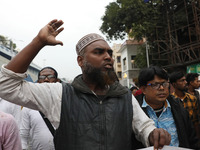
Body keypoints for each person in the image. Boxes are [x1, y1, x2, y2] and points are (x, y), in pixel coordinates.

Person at [0, 19, 171, 150]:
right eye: (98, 52)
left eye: (109, 53)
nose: (108, 57)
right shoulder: (60, 94)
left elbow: (144, 128)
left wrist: (154, 134)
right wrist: (38, 41)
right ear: (80, 61)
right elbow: (6, 85)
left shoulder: (124, 96)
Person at [132, 66, 199, 149]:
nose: (161, 88)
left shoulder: (180, 109)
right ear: (143, 89)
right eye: (155, 85)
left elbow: (192, 141)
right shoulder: (134, 113)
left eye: (164, 84)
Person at [20, 67, 59, 150]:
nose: (46, 80)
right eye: (42, 77)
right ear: (38, 82)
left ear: (57, 81)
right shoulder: (29, 105)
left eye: (50, 77)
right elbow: (23, 135)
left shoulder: (65, 104)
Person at [169, 71, 200, 140]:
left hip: (192, 137)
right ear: (174, 84)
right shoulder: (170, 101)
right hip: (178, 136)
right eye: (182, 81)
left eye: (185, 80)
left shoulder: (192, 99)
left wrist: (198, 139)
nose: (186, 82)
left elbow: (196, 121)